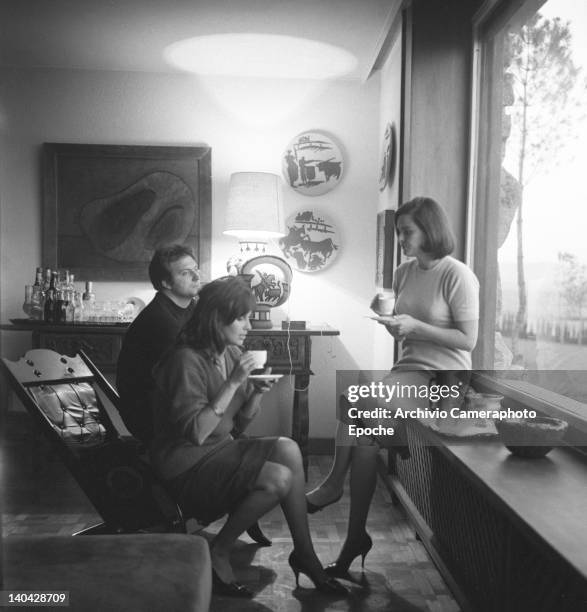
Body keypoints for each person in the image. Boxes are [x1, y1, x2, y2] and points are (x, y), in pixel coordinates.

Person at [305, 196, 479, 577]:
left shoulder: (457, 274)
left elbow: (468, 341)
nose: (400, 238)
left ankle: (333, 485)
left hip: (443, 380)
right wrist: (389, 318)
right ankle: (355, 539)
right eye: (399, 231)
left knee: (354, 400)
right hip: (408, 371)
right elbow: (406, 325)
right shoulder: (404, 273)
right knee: (364, 438)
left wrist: (415, 327)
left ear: (429, 230)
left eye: (406, 232)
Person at [149, 276, 348, 598]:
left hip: (217, 451)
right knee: (278, 478)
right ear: (217, 319)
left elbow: (237, 424)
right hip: (184, 466)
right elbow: (197, 434)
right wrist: (233, 382)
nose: (247, 325)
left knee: (288, 448)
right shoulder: (185, 360)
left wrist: (254, 393)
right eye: (240, 317)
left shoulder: (228, 352)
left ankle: (305, 554)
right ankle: (220, 550)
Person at [116, 244, 200, 444]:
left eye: (196, 269)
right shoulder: (160, 320)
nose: (197, 277)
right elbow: (187, 373)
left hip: (174, 403)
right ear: (166, 282)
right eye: (186, 273)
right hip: (152, 419)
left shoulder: (191, 308)